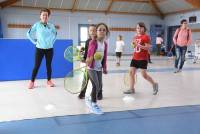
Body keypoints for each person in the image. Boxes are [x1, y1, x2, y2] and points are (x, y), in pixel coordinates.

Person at [123, 22, 158, 95]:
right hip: (135, 58)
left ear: (144, 28)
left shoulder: (146, 37)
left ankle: (154, 84)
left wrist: (138, 45)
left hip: (143, 59)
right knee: (131, 73)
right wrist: (133, 45)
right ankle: (131, 89)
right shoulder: (135, 37)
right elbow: (134, 46)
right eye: (137, 28)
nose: (139, 29)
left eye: (140, 27)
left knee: (144, 75)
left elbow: (147, 47)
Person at [27, 8, 57, 89]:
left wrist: (52, 42)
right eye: (43, 15)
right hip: (39, 49)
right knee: (36, 66)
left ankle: (49, 81)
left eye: (46, 15)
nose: (45, 16)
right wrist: (34, 42)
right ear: (40, 16)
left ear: (48, 16)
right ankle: (32, 82)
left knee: (48, 66)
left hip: (49, 49)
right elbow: (28, 34)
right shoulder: (36, 25)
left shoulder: (51, 26)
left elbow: (55, 34)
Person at [85, 23, 109, 114]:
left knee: (99, 87)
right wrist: (92, 58)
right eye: (100, 30)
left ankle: (89, 99)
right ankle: (94, 104)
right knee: (96, 85)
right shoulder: (93, 42)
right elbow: (88, 58)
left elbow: (105, 57)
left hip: (99, 68)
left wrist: (105, 67)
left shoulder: (105, 44)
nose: (102, 31)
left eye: (104, 30)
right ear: (96, 32)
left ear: (106, 32)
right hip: (91, 68)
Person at [78, 24, 96, 99]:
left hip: (95, 64)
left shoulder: (98, 41)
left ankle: (97, 93)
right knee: (85, 79)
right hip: (88, 64)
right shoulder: (87, 41)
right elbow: (86, 53)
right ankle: (82, 93)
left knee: (95, 81)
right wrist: (84, 59)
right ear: (88, 32)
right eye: (90, 30)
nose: (92, 32)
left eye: (94, 30)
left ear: (96, 31)